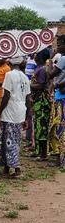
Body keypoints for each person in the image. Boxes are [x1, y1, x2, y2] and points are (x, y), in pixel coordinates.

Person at [0, 57, 31, 177]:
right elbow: (28, 99)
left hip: (10, 111)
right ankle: (6, 167)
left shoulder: (9, 75)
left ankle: (17, 169)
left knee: (8, 140)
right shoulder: (25, 77)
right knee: (12, 139)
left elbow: (6, 96)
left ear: (9, 63)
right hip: (20, 111)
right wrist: (26, 117)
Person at [30, 49, 51, 160]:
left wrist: (29, 85)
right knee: (38, 126)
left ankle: (43, 154)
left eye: (37, 54)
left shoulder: (42, 69)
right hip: (37, 100)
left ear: (42, 57)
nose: (35, 55)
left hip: (42, 101)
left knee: (42, 126)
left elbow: (41, 85)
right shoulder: (38, 68)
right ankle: (38, 151)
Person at [48, 35, 65, 167]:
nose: (57, 47)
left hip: (61, 98)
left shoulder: (63, 59)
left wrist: (50, 59)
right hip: (61, 95)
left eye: (59, 44)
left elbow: (51, 74)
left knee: (59, 128)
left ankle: (60, 159)